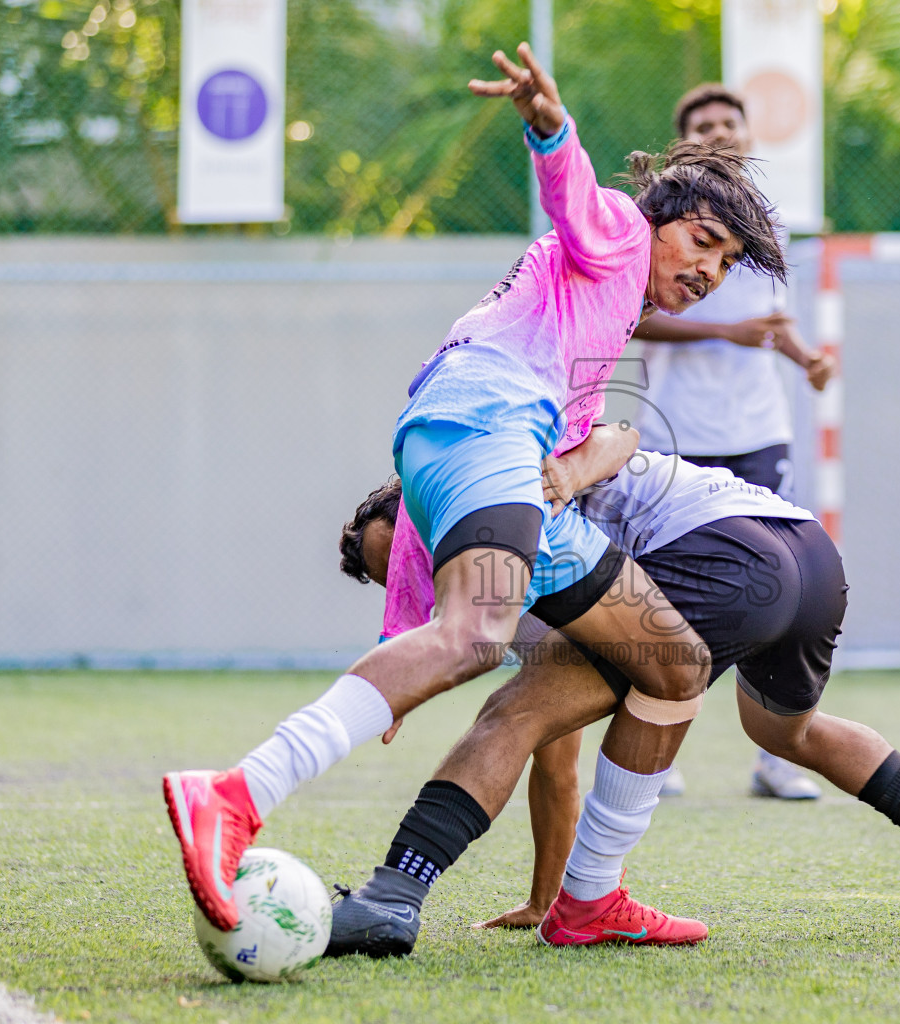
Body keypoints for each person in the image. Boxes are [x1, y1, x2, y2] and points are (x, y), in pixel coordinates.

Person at [161, 42, 787, 933]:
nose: (708, 271)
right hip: (491, 422)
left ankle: (586, 898)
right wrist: (549, 124)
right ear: (659, 218)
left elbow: (490, 479)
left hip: (513, 461)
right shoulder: (614, 231)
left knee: (673, 660)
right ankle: (236, 793)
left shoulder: (599, 313)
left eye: (726, 265)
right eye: (703, 243)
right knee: (476, 638)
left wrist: (402, 632)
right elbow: (571, 188)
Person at [325, 426, 900, 955]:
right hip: (803, 555)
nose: (430, 582)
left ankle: (396, 894)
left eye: (419, 558)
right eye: (408, 585)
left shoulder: (493, 510)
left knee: (518, 708)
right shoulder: (494, 519)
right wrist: (543, 895)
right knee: (786, 732)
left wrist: (403, 687)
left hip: (717, 552)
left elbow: (613, 431)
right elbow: (554, 749)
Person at [629, 82, 837, 800]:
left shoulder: (768, 228)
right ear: (686, 140)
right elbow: (635, 317)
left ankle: (778, 755)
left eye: (730, 122)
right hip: (676, 432)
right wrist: (726, 331)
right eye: (704, 124)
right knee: (664, 595)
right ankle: (655, 742)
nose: (720, 132)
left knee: (776, 586)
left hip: (758, 433)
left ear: (749, 135)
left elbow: (771, 327)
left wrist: (806, 357)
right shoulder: (661, 221)